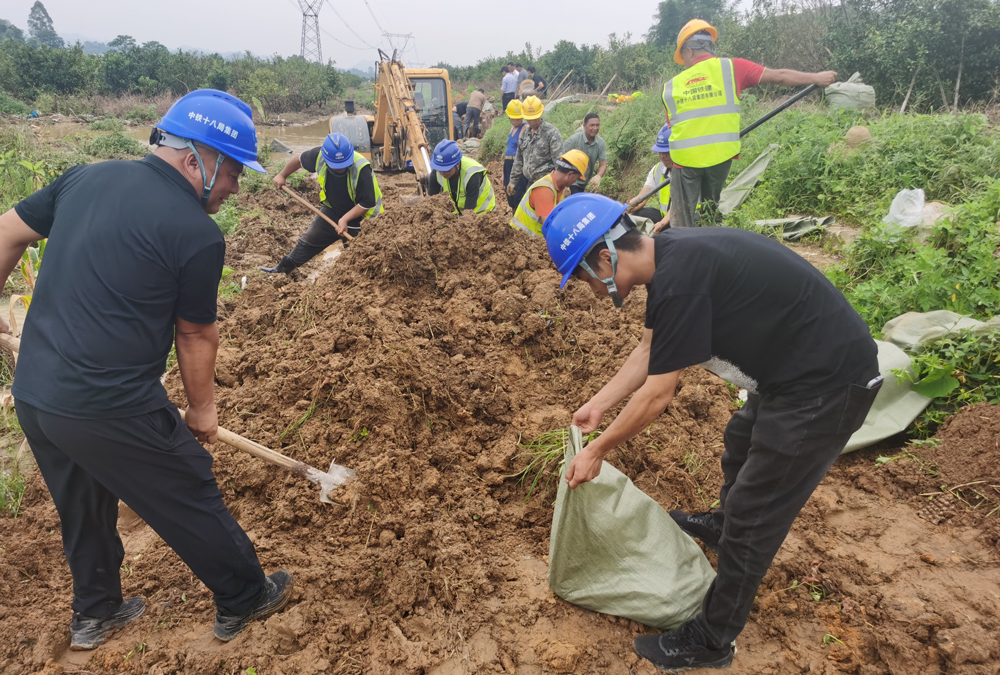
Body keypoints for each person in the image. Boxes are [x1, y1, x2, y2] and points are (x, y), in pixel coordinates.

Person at [0, 89, 294, 650]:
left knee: (84, 503)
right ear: (198, 160)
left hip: (37, 395)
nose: (236, 188)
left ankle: (96, 613)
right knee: (187, 486)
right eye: (234, 172)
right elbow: (195, 334)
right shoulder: (197, 234)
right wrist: (202, 410)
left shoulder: (84, 178)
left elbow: (6, 232)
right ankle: (246, 596)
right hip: (110, 405)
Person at [541, 193, 881, 672]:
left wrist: (599, 450)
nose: (590, 291)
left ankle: (713, 638)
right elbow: (648, 350)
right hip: (794, 371)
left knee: (754, 517)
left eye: (582, 278)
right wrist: (598, 404)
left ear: (604, 258)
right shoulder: (670, 259)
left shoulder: (679, 283)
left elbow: (657, 395)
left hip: (826, 386)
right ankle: (723, 526)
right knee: (741, 440)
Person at [663, 19, 838, 227]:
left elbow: (673, 126)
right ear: (710, 46)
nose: (683, 62)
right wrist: (816, 77)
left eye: (682, 56)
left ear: (689, 51)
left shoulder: (672, 86)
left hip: (686, 162)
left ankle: (683, 241)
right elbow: (780, 76)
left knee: (683, 221)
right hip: (721, 158)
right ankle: (711, 235)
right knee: (711, 210)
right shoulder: (732, 68)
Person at [261, 132, 383, 274]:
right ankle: (282, 269)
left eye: (344, 164)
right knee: (310, 238)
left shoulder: (361, 167)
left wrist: (345, 219)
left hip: (363, 218)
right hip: (333, 209)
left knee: (359, 255)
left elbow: (367, 203)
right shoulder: (319, 155)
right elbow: (299, 160)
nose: (341, 168)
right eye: (337, 166)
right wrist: (282, 175)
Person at [510, 149, 586, 236]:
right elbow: (550, 228)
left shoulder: (559, 188)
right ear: (570, 174)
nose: (575, 181)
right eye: (577, 178)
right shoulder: (545, 190)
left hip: (533, 239)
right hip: (520, 239)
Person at [508, 96, 563, 202]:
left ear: (540, 114)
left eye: (534, 117)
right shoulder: (525, 134)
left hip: (546, 184)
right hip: (530, 183)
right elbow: (519, 159)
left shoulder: (551, 133)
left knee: (543, 211)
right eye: (529, 118)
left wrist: (562, 186)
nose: (532, 121)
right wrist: (513, 181)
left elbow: (559, 161)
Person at [427, 139, 495, 214]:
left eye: (447, 170)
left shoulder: (472, 175)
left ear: (457, 164)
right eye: (440, 169)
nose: (442, 173)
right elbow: (431, 203)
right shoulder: (436, 173)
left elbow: (469, 211)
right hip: (458, 214)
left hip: (483, 213)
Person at [628, 123, 673, 233]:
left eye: (667, 152)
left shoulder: (688, 172)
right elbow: (641, 198)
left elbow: (679, 207)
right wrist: (625, 209)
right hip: (665, 219)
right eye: (660, 152)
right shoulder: (657, 169)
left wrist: (662, 223)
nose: (663, 156)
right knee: (638, 214)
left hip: (685, 221)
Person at [561, 113, 607, 195]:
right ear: (584, 126)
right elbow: (559, 160)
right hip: (571, 182)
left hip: (583, 183)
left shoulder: (600, 143)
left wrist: (598, 176)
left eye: (597, 125)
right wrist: (564, 181)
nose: (595, 128)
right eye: (592, 125)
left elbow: (603, 164)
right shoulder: (573, 140)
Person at [503, 100, 527, 209]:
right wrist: (504, 173)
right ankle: (514, 214)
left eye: (518, 118)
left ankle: (519, 216)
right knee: (509, 193)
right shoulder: (511, 129)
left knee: (518, 192)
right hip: (508, 163)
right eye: (513, 118)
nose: (515, 121)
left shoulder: (525, 128)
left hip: (517, 163)